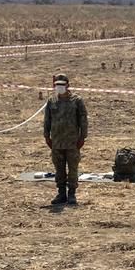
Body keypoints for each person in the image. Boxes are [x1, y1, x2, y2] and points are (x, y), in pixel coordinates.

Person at [43, 73, 88, 206]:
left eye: (62, 85)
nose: (59, 87)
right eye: (57, 85)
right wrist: (46, 136)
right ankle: (61, 193)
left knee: (73, 169)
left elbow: (83, 120)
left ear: (68, 85)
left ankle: (72, 194)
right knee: (59, 169)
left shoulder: (76, 100)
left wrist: (82, 137)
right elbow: (47, 120)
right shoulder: (51, 101)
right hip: (56, 141)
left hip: (72, 141)